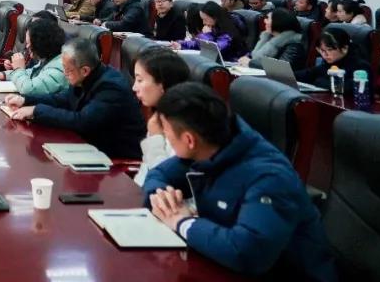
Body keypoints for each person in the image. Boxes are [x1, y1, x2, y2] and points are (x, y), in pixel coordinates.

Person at [143, 83, 337, 281]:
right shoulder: (208, 146)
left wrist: (182, 222)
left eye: (166, 131)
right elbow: (158, 175)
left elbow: (247, 253)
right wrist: (161, 197)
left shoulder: (270, 177)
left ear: (189, 140)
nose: (165, 136)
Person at [3, 38, 145, 159]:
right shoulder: (85, 77)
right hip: (88, 147)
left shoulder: (111, 87)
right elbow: (63, 99)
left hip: (114, 159)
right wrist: (26, 100)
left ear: (85, 70)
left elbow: (82, 121)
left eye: (67, 70)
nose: (64, 74)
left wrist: (36, 110)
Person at [130, 47, 190, 185]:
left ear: (163, 85)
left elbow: (167, 181)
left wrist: (156, 138)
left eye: (140, 80)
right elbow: (144, 174)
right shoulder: (158, 117)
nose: (134, 87)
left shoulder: (184, 127)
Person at [0, 18, 67, 99]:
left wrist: (19, 69)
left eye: (28, 43)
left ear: (40, 44)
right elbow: (31, 73)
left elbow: (28, 90)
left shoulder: (59, 68)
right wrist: (2, 75)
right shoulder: (49, 59)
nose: (27, 47)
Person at [295, 27, 374, 94]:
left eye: (329, 50)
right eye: (322, 50)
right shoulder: (331, 62)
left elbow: (346, 88)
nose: (325, 55)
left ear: (344, 48)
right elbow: (309, 74)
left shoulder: (361, 66)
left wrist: (319, 81)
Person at [172, 1, 246, 61]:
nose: (203, 22)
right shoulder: (214, 27)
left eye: (205, 19)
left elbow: (216, 50)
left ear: (214, 17)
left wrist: (207, 34)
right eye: (202, 19)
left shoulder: (228, 30)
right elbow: (198, 43)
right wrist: (181, 44)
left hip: (232, 63)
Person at [238, 9, 306, 71]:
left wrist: (251, 63)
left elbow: (282, 69)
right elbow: (254, 57)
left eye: (268, 18)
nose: (265, 21)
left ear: (278, 22)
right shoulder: (267, 37)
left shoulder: (294, 44)